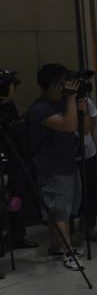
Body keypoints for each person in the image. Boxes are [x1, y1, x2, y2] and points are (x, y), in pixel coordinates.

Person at [26, 65, 86, 268]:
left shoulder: (60, 103)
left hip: (67, 163)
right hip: (51, 168)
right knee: (59, 212)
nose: (68, 85)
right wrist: (71, 99)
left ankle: (56, 246)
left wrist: (78, 105)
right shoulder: (40, 108)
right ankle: (68, 253)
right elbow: (69, 126)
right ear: (53, 85)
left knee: (62, 211)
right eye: (64, 81)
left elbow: (81, 128)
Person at [0, 75, 38, 251]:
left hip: (14, 160)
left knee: (16, 199)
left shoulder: (9, 106)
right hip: (5, 160)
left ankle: (17, 237)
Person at [76, 92, 97, 243]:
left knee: (91, 192)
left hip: (89, 153)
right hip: (70, 156)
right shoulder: (61, 102)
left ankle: (90, 226)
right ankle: (72, 230)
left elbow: (92, 129)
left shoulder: (85, 101)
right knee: (75, 193)